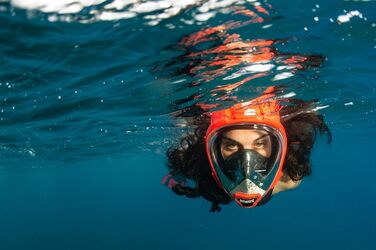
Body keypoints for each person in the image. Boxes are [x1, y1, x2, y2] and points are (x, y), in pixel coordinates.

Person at [163, 89, 331, 211]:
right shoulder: (291, 179)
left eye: (259, 144)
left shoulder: (290, 176)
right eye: (231, 145)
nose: (247, 164)